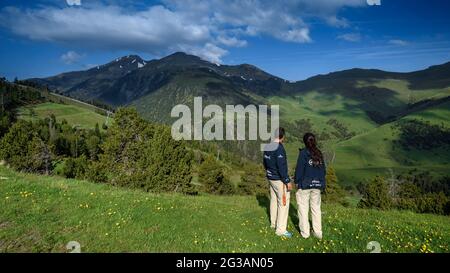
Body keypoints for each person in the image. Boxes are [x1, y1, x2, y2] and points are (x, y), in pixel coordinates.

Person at [294, 132, 326, 239]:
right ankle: (318, 233)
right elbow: (323, 170)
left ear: (305, 142)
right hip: (317, 185)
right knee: (316, 209)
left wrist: (297, 181)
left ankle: (305, 233)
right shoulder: (319, 153)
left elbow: (299, 169)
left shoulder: (303, 153)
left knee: (303, 208)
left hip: (304, 185)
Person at [263, 127, 293, 238]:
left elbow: (265, 162)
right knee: (283, 203)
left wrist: (269, 172)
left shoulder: (268, 146)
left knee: (274, 200)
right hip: (279, 180)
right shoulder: (279, 149)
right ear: (282, 137)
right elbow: (282, 167)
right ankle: (280, 230)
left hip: (270, 178)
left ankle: (273, 223)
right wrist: (287, 181)